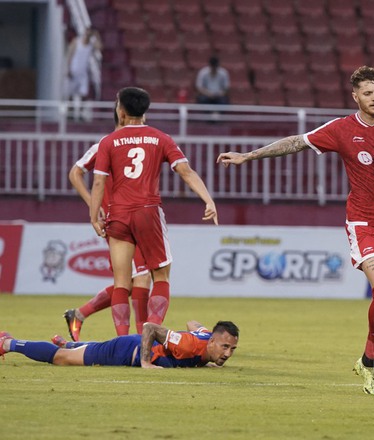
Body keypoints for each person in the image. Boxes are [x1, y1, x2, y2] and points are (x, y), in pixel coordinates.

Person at [218, 66, 374, 395]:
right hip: (363, 223)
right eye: (368, 93)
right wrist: (248, 156)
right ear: (356, 97)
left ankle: (367, 360)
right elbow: (297, 142)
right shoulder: (341, 129)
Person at [90, 86, 218, 333]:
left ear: (121, 110)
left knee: (120, 284)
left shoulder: (108, 141)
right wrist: (208, 199)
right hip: (147, 212)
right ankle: (150, 334)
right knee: (160, 277)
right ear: (145, 111)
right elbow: (185, 171)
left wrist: (93, 215)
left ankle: (123, 341)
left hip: (118, 214)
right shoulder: (160, 138)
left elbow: (98, 181)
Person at [66, 109, 152, 340]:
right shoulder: (105, 144)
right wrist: (93, 205)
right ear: (123, 116)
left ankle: (80, 314)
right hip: (118, 221)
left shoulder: (140, 144)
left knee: (131, 281)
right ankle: (135, 339)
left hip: (137, 218)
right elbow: (75, 173)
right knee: (141, 277)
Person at [0, 320, 238, 368]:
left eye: (231, 349)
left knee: (77, 351)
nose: (227, 353)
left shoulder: (206, 337)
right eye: (224, 347)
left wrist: (207, 357)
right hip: (126, 352)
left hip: (128, 346)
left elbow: (192, 322)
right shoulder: (187, 344)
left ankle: (72, 344)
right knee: (61, 359)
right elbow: (149, 328)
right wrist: (145, 362)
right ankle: (8, 343)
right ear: (214, 340)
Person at [66, 27, 102, 121]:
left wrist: (96, 36)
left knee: (83, 94)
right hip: (74, 70)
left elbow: (99, 47)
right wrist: (68, 69)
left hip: (83, 73)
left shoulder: (91, 45)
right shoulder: (76, 42)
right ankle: (70, 113)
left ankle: (81, 113)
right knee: (71, 93)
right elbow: (70, 54)